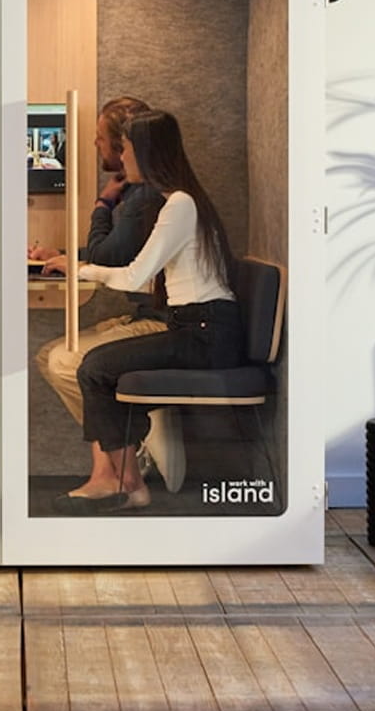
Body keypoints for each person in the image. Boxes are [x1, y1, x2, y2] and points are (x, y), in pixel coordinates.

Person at [55, 109, 243, 514]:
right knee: (100, 369)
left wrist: (81, 269)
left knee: (94, 369)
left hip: (206, 333)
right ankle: (129, 481)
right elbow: (145, 279)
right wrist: (85, 269)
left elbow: (135, 274)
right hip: (197, 327)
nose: (121, 160)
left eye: (125, 150)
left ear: (146, 152)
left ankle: (128, 485)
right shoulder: (180, 202)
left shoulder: (179, 205)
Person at [31, 96, 181, 492]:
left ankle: (120, 465)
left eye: (101, 139)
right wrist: (67, 257)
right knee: (50, 355)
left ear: (123, 146)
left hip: (163, 322)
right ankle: (124, 452)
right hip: (150, 314)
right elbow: (116, 253)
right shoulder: (143, 196)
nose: (96, 146)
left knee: (66, 362)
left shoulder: (145, 196)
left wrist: (101, 204)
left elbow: (108, 256)